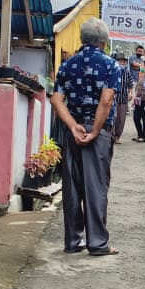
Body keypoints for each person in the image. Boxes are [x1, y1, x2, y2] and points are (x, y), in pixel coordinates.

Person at [50, 18, 122, 257]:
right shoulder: (111, 66)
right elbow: (106, 100)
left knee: (72, 186)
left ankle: (72, 241)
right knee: (96, 187)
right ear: (104, 41)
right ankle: (98, 244)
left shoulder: (67, 65)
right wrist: (94, 131)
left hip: (73, 130)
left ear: (82, 39)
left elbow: (57, 100)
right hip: (98, 132)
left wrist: (72, 126)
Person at [112, 53, 133, 143]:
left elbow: (130, 83)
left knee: (121, 119)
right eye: (120, 60)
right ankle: (110, 136)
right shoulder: (112, 70)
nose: (122, 62)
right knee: (113, 118)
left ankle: (117, 136)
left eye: (124, 61)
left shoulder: (127, 72)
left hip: (123, 98)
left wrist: (130, 93)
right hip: (112, 98)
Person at [131, 60, 145, 143]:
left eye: (142, 65)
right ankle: (140, 135)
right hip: (138, 99)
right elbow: (138, 88)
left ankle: (144, 137)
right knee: (136, 118)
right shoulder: (142, 76)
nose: (141, 67)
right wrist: (134, 98)